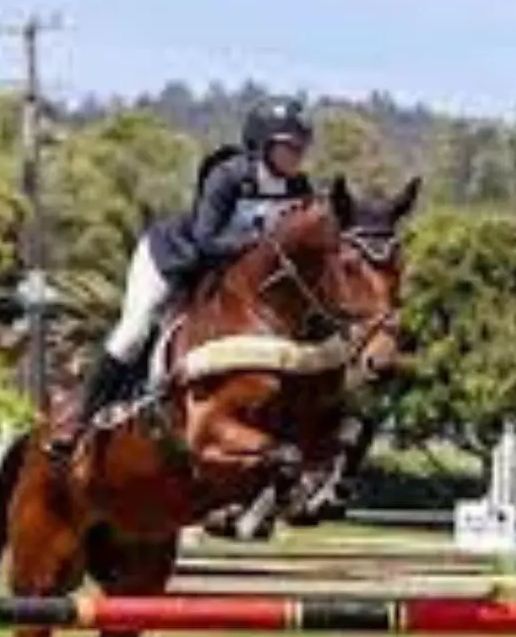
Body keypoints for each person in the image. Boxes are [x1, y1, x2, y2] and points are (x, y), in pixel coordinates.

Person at [46, 96, 316, 462]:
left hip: (223, 276)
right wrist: (259, 241)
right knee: (133, 332)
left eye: (301, 148)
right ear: (262, 144)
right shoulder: (229, 175)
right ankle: (77, 420)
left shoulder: (299, 189)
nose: (296, 156)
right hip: (172, 259)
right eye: (288, 147)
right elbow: (206, 240)